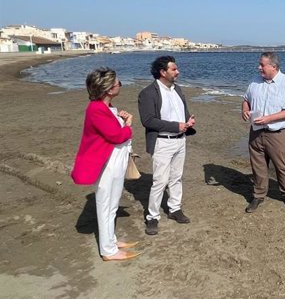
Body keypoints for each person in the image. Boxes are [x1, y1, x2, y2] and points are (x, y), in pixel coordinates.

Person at [71, 67, 141, 261]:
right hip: (106, 164)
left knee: (112, 204)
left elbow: (111, 132)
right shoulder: (96, 109)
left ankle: (110, 241)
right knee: (106, 205)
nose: (120, 85)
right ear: (109, 89)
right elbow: (116, 136)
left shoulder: (107, 108)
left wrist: (121, 119)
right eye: (118, 83)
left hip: (113, 161)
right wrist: (129, 125)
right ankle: (108, 251)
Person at [138, 56, 196, 236]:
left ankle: (174, 209)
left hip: (180, 140)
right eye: (174, 69)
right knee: (160, 181)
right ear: (163, 72)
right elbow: (148, 121)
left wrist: (188, 121)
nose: (177, 72)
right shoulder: (148, 93)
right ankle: (152, 217)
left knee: (176, 177)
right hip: (162, 141)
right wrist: (175, 126)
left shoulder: (177, 89)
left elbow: (181, 111)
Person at [241, 52, 285, 213]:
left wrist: (269, 119)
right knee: (258, 165)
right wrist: (245, 110)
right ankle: (258, 195)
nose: (258, 67)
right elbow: (246, 99)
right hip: (256, 131)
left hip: (278, 133)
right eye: (259, 64)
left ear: (273, 67)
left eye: (262, 65)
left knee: (282, 166)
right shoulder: (255, 81)